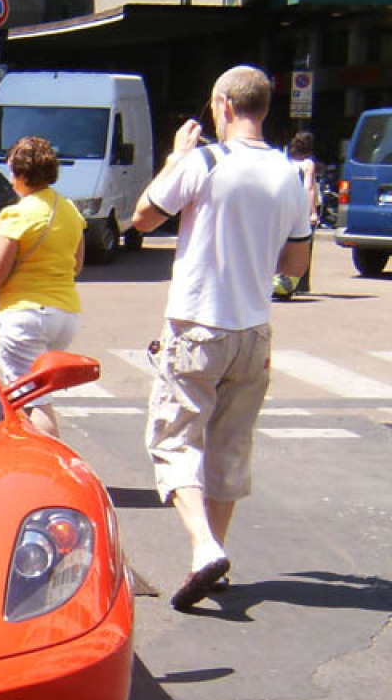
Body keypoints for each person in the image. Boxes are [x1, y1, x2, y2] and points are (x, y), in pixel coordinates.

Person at [131, 64, 313, 612]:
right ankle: (212, 557)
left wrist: (172, 160)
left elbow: (142, 219)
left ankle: (205, 547)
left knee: (174, 439)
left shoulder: (204, 161)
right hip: (253, 330)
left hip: (197, 325)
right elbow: (297, 262)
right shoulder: (287, 172)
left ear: (224, 106)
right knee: (230, 448)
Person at [0, 134, 85, 439]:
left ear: (22, 175)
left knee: (32, 400)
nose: (11, 179)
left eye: (12, 171)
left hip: (25, 315)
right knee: (39, 392)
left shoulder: (16, 214)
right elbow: (76, 265)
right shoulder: (70, 210)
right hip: (64, 315)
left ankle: (45, 463)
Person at [273, 130, 319, 299]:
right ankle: (299, 283)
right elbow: (309, 188)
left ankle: (281, 279)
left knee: (285, 244)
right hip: (302, 206)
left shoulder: (287, 162)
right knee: (303, 246)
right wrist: (312, 211)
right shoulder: (308, 164)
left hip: (287, 203)